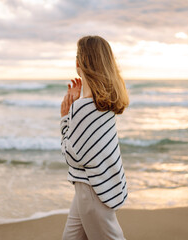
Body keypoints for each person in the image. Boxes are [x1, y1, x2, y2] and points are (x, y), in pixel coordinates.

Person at [60, 35, 129, 240]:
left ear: (79, 63)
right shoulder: (105, 106)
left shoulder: (82, 108)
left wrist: (65, 118)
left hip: (92, 192)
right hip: (99, 185)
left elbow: (72, 157)